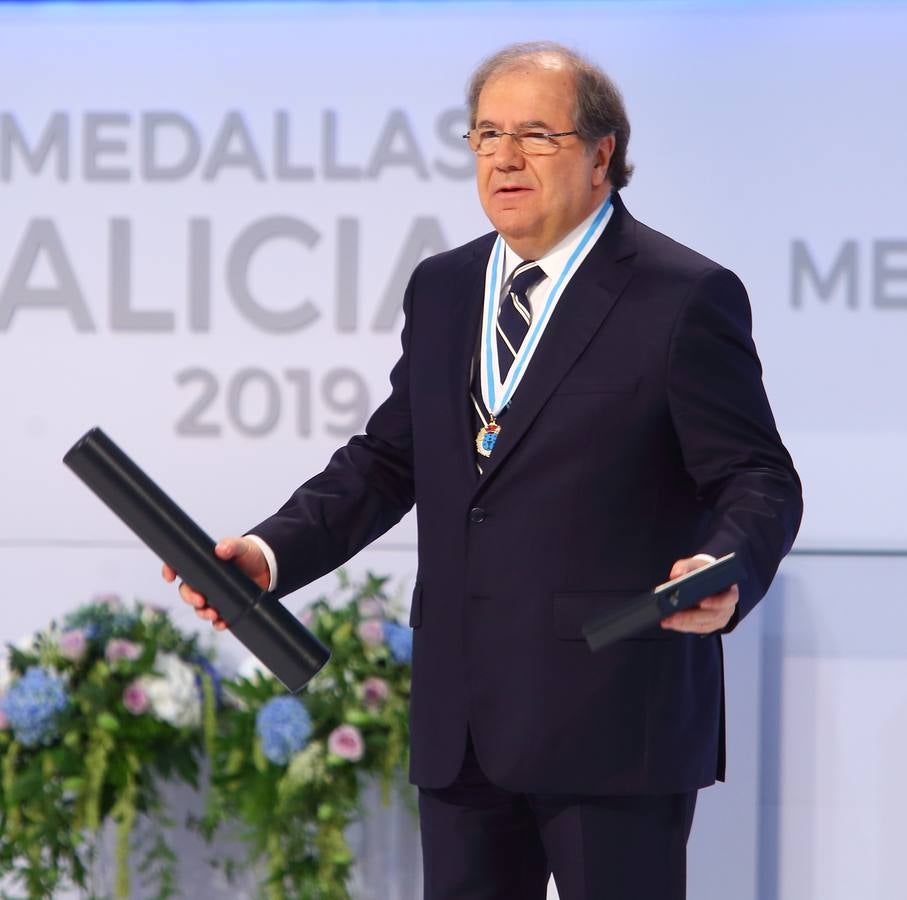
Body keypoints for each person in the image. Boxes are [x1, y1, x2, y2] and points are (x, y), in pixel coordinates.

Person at [164, 41, 802, 900]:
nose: (502, 157)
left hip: (613, 716)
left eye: (535, 135)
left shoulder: (680, 294)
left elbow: (758, 477)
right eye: (486, 134)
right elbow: (390, 458)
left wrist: (725, 566)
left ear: (599, 153)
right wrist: (270, 555)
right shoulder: (444, 287)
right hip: (462, 722)